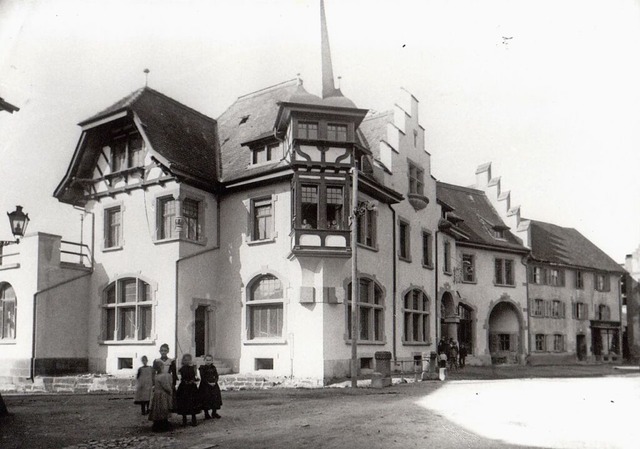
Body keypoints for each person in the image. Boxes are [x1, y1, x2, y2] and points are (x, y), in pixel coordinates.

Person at [148, 359, 174, 431]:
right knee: (163, 409)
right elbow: (165, 386)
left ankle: (157, 424)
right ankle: (163, 425)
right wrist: (170, 391)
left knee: (157, 409)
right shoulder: (162, 376)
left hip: (156, 394)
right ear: (161, 367)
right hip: (162, 394)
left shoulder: (156, 376)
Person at [176, 353, 200, 427]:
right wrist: (185, 381)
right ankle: (184, 420)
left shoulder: (193, 368)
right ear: (183, 361)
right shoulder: (182, 369)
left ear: (190, 360)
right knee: (184, 404)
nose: (187, 361)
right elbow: (181, 377)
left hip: (192, 387)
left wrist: (194, 380)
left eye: (188, 360)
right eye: (185, 360)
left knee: (193, 403)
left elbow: (196, 377)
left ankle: (194, 419)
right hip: (184, 387)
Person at [198, 354, 223, 420]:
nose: (208, 361)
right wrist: (208, 383)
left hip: (214, 385)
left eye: (209, 360)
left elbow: (216, 375)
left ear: (212, 361)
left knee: (215, 398)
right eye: (207, 360)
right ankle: (206, 414)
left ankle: (214, 412)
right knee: (206, 399)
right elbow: (202, 377)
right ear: (204, 360)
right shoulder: (202, 368)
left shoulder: (213, 367)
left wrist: (215, 382)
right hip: (205, 386)